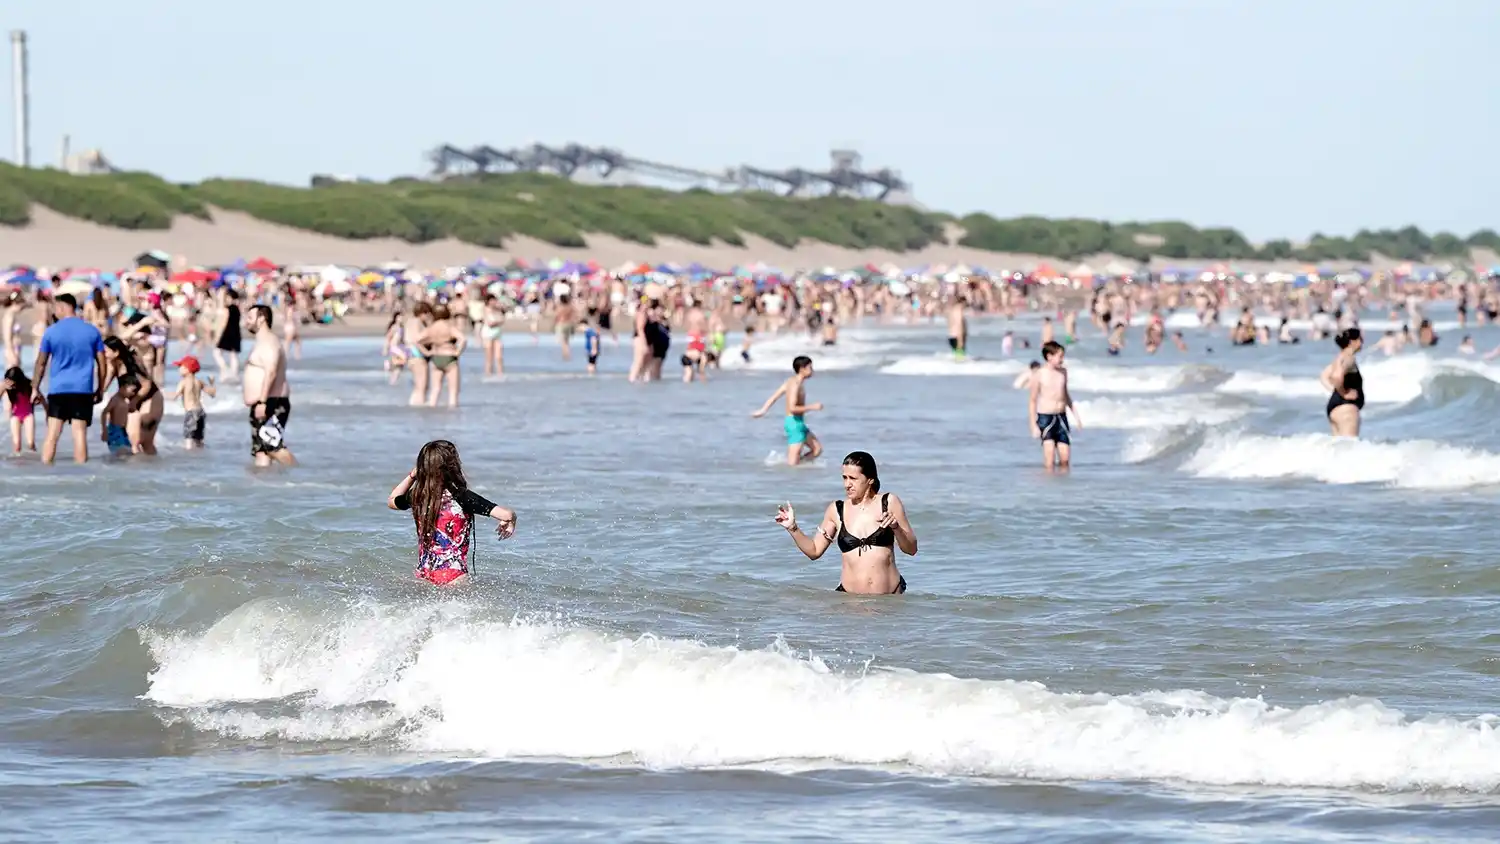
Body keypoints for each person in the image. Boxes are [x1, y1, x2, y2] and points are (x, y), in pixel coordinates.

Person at [773, 451, 917, 595]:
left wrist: (896, 528)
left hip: (890, 599)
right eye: (844, 478)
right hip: (850, 604)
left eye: (853, 478)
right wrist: (793, 528)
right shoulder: (836, 509)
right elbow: (814, 551)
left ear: (870, 479)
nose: (847, 484)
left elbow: (911, 549)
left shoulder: (889, 502)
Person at [386, 439, 518, 586]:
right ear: (452, 466)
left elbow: (392, 500)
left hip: (424, 573)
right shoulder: (462, 496)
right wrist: (511, 520)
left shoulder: (417, 496)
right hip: (454, 576)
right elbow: (506, 514)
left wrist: (412, 476)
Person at [30, 293, 107, 465]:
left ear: (62, 307)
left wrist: (35, 388)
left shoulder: (51, 332)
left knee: (52, 434)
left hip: (58, 389)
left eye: (55, 308)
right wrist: (101, 388)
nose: (54, 312)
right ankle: (82, 478)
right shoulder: (92, 331)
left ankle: (44, 473)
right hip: (82, 389)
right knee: (79, 434)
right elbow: (102, 363)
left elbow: (41, 363)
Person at [242, 304, 296, 467]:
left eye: (250, 318)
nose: (246, 322)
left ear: (261, 319)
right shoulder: (261, 342)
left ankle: (300, 474)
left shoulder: (269, 342)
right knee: (261, 451)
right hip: (262, 403)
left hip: (271, 402)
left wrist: (263, 402)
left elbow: (271, 371)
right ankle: (263, 487)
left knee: (273, 447)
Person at [752, 355, 823, 467]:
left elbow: (774, 397)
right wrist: (813, 407)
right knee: (792, 466)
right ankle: (789, 477)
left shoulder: (791, 382)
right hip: (794, 424)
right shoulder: (795, 385)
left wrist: (763, 410)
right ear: (802, 369)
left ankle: (801, 466)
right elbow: (792, 408)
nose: (812, 370)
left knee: (817, 450)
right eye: (810, 367)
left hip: (799, 423)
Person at [1028, 340, 1081, 471]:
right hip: (1046, 418)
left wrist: (1076, 416)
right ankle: (1049, 488)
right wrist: (1033, 425)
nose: (1062, 359)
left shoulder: (1063, 372)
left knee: (1065, 459)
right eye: (1060, 356)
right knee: (1049, 459)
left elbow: (1066, 395)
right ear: (1049, 356)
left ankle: (1063, 487)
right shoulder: (1039, 374)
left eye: (1062, 356)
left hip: (1061, 417)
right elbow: (1032, 400)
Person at [1321, 327, 1364, 438]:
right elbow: (1336, 376)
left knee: (1338, 448)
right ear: (1352, 342)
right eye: (1360, 338)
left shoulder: (1339, 358)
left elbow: (1324, 376)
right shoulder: (1349, 358)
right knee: (1349, 447)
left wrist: (1336, 392)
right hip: (1346, 408)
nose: (1362, 341)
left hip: (1336, 407)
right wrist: (1344, 393)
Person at [168, 355, 215, 449]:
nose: (178, 370)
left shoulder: (183, 382)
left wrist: (162, 394)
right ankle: (199, 458)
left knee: (188, 439)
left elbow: (174, 396)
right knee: (199, 440)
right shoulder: (199, 381)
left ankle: (189, 459)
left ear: (187, 369)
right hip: (201, 412)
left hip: (191, 412)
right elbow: (212, 394)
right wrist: (212, 383)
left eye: (180, 367)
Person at [2, 366, 43, 454]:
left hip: (28, 414)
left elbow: (42, 399)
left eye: (11, 383)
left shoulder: (30, 384)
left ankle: (36, 463)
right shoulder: (5, 385)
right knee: (17, 446)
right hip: (15, 415)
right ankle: (18, 464)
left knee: (30, 443)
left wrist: (48, 413)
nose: (9, 384)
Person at [99, 373, 140, 457]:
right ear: (124, 387)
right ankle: (111, 466)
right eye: (132, 391)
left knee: (129, 453)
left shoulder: (125, 400)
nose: (133, 394)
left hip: (123, 430)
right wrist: (104, 430)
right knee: (120, 453)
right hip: (115, 430)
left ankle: (121, 469)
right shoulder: (115, 399)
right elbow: (104, 412)